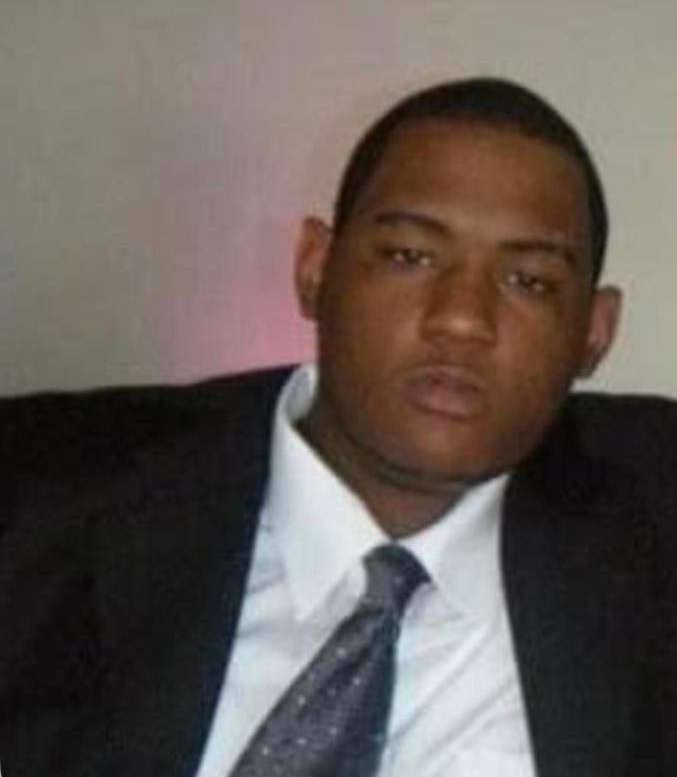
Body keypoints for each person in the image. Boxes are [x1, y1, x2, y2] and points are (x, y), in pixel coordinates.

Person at [0, 78, 674, 777]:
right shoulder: (36, 497)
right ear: (315, 269)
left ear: (594, 332)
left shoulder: (645, 528)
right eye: (408, 255)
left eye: (529, 281)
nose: (461, 318)